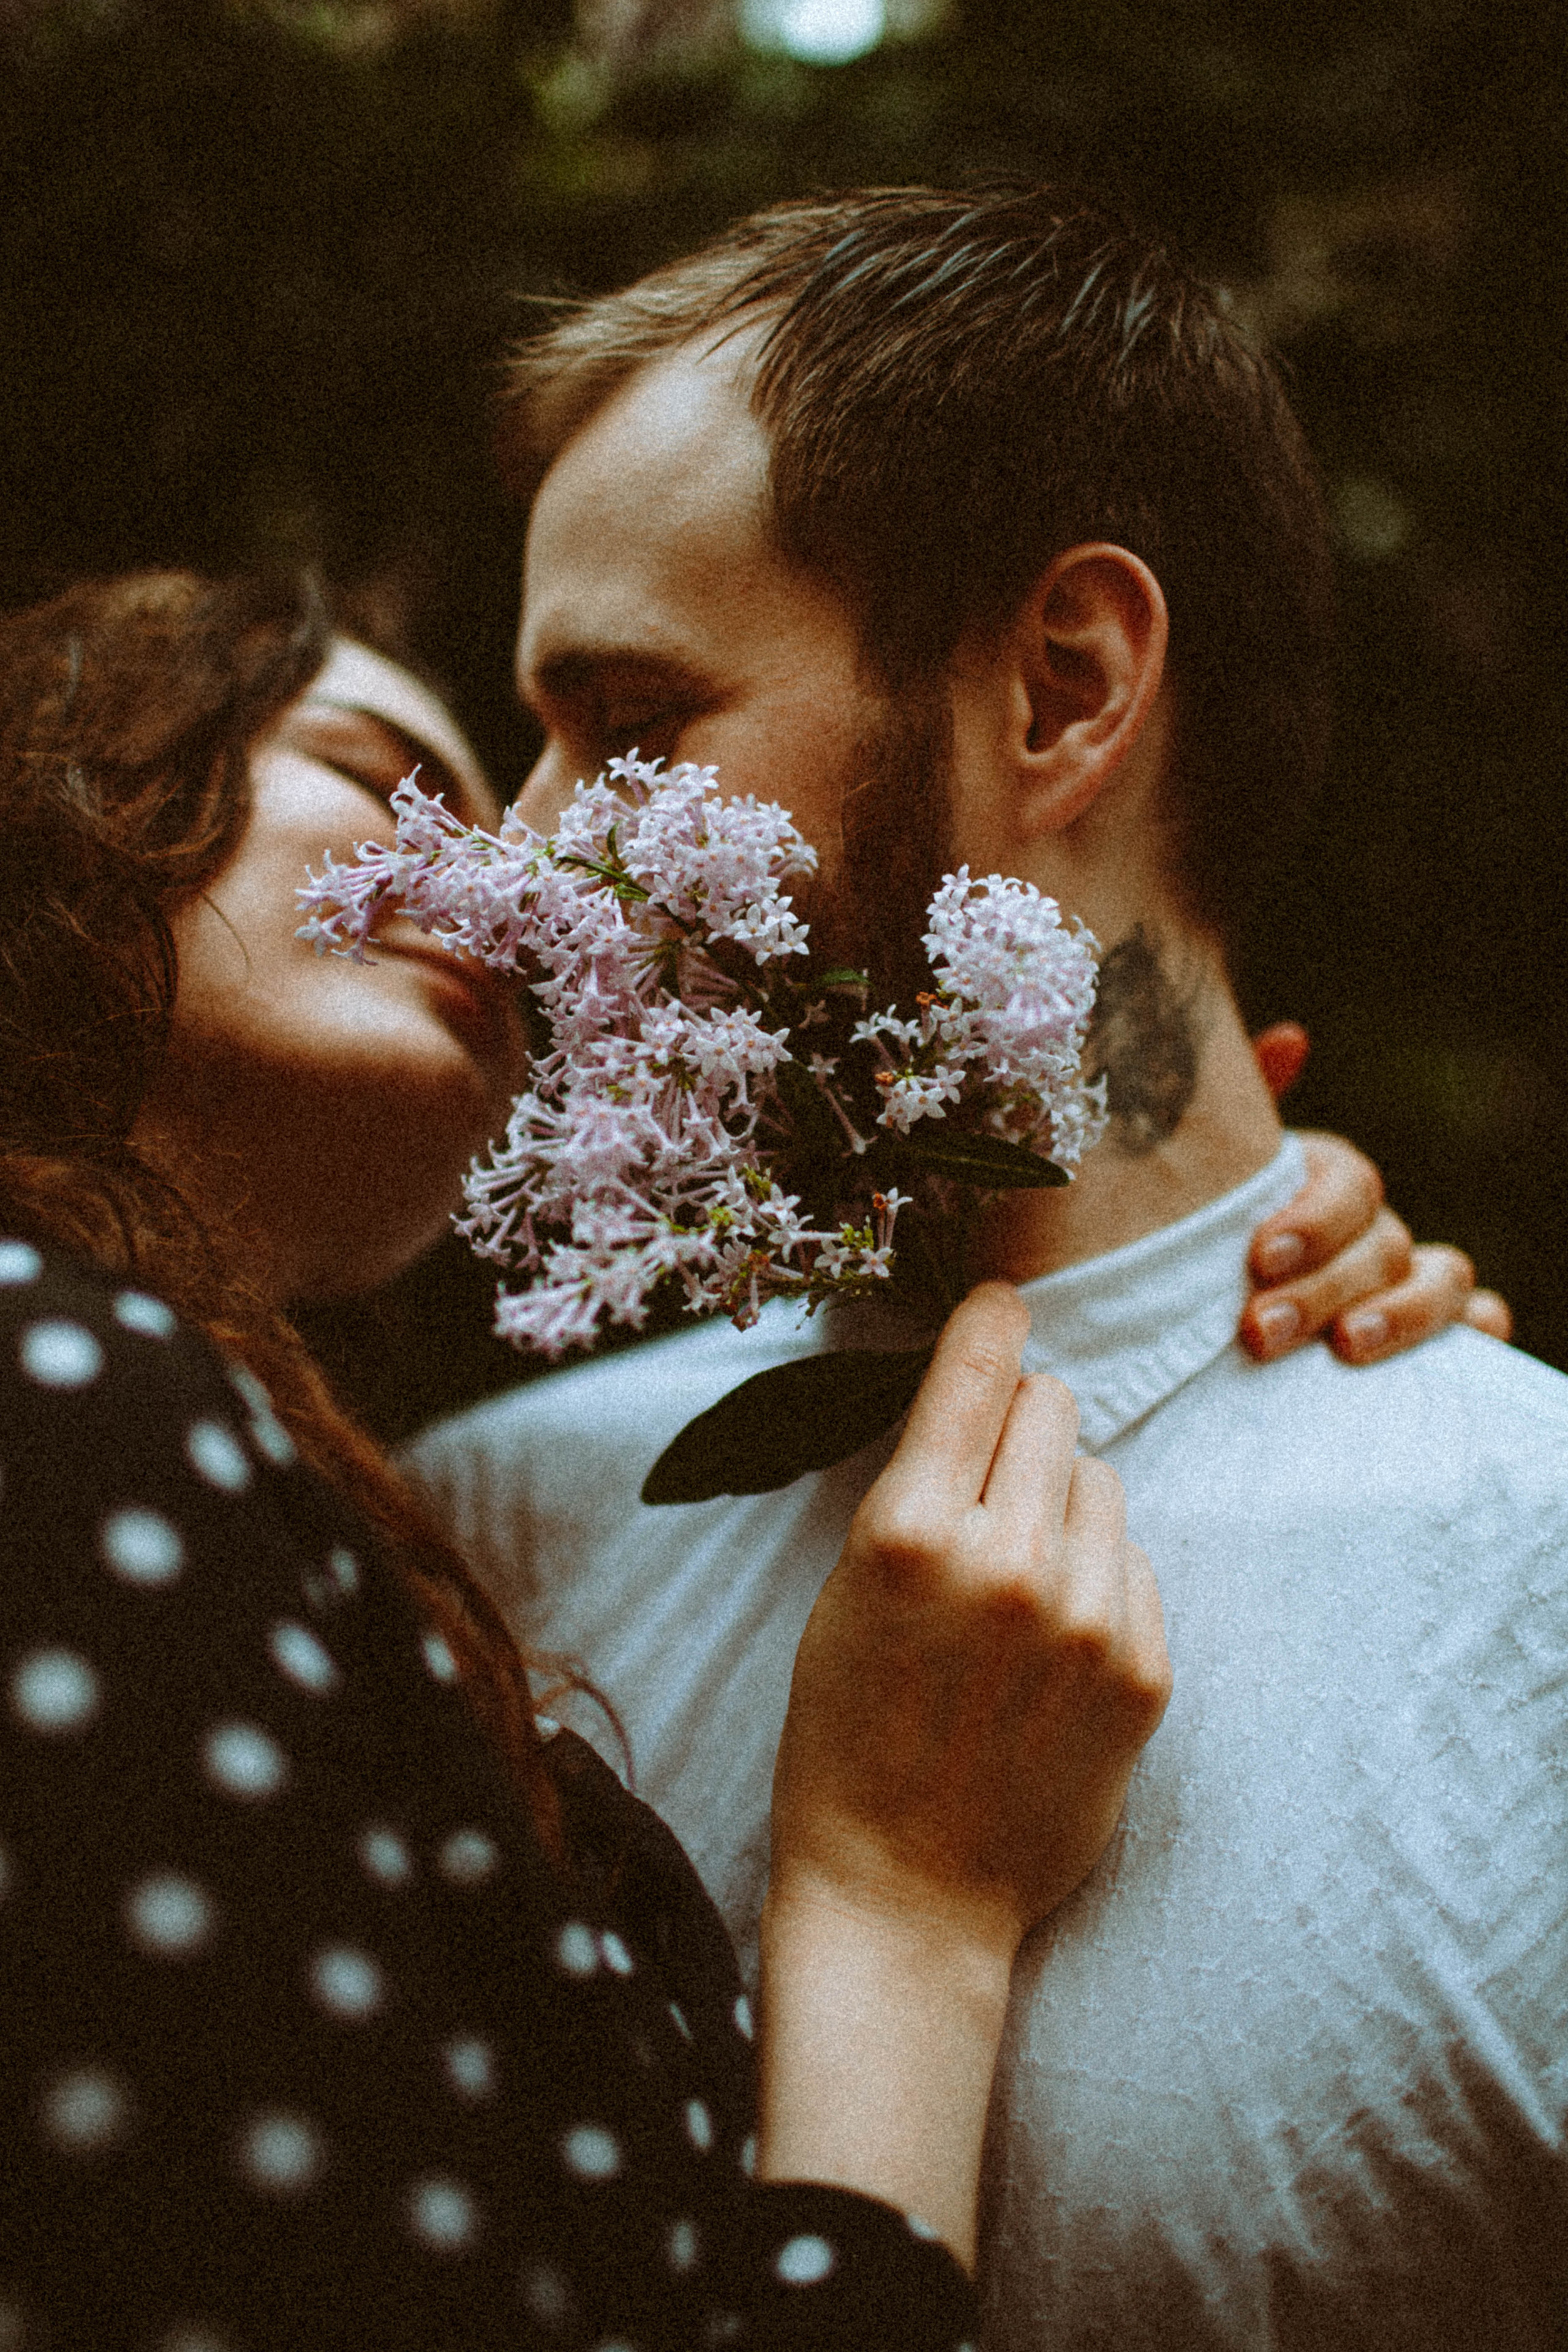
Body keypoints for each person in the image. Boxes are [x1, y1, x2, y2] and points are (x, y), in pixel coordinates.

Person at [404, 187, 1568, 2350]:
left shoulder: (1537, 1598)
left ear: (1063, 691)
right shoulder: (477, 1538)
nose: (529, 854)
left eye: (634, 723)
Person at [0, 567, 1184, 2351]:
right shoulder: (66, 1382)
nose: (523, 883)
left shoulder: (288, 1474)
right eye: (381, 768)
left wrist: (1205, 1249)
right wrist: (894, 1903)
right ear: (71, 791)